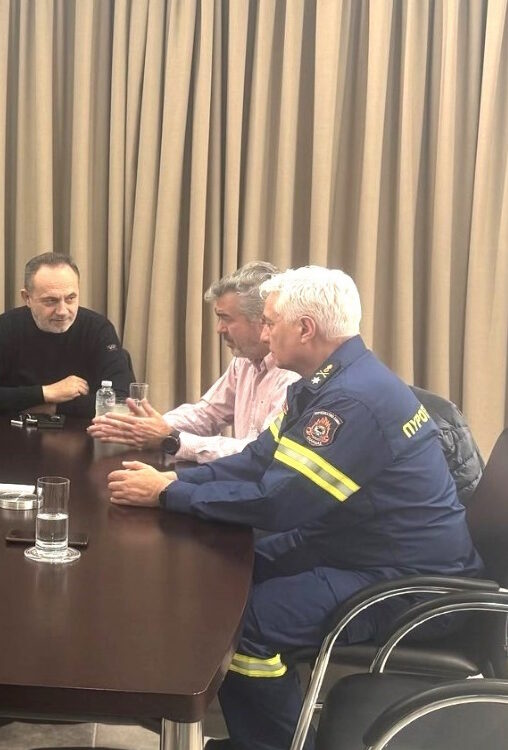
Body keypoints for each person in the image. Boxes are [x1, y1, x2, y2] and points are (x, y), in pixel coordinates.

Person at [105, 266, 482, 750]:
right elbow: (257, 461)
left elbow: (278, 503)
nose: (263, 333)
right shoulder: (324, 384)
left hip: (408, 582)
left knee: (244, 624)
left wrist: (167, 495)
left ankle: (271, 745)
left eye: (271, 322)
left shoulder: (351, 400)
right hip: (353, 548)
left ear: (305, 329)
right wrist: (174, 481)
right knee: (220, 577)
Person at [88, 262, 298, 462]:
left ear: (262, 320)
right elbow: (208, 414)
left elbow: (260, 454)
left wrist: (172, 439)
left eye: (226, 318)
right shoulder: (243, 361)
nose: (219, 329)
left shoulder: (293, 373)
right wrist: (150, 426)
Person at [0, 252, 135, 419]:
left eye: (70, 298)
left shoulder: (98, 329)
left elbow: (123, 402)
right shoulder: (3, 328)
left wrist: (51, 407)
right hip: (15, 435)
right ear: (27, 298)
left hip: (83, 436)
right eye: (50, 301)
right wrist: (45, 393)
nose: (62, 311)